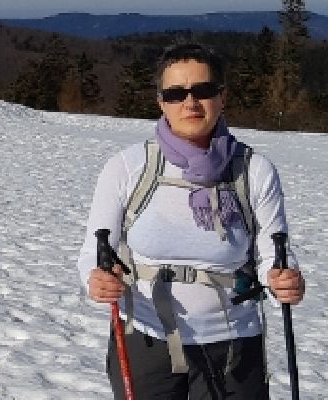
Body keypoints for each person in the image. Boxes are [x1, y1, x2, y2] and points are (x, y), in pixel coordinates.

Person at [74, 43, 306, 399]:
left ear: (222, 97)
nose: (190, 103)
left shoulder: (253, 170)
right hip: (146, 339)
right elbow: (96, 249)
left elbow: (273, 253)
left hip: (233, 344)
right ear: (161, 102)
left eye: (203, 90)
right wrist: (97, 279)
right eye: (176, 93)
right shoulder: (127, 167)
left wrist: (280, 281)